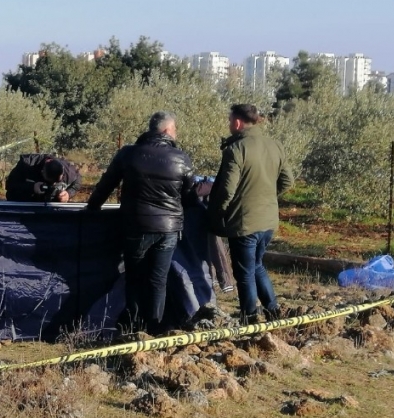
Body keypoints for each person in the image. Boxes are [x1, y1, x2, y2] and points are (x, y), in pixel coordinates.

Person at [87, 111, 196, 335]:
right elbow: (189, 198)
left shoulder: (128, 154)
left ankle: (133, 327)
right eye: (175, 129)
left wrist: (92, 208)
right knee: (158, 280)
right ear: (166, 130)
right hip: (168, 229)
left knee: (134, 277)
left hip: (136, 225)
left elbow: (106, 185)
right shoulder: (181, 158)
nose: (176, 133)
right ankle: (154, 328)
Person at [208, 103, 294, 324]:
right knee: (256, 265)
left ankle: (250, 317)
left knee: (244, 272)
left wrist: (217, 213)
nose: (229, 125)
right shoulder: (275, 145)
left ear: (237, 122)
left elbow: (227, 189)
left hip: (244, 222)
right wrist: (266, 196)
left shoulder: (236, 149)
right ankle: (273, 310)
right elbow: (288, 181)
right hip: (268, 220)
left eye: (230, 121)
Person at [5, 154, 81, 202]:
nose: (53, 184)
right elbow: (10, 185)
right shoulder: (26, 164)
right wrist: (32, 187)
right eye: (50, 181)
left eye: (57, 182)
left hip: (53, 212)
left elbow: (77, 184)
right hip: (26, 208)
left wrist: (68, 193)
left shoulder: (70, 171)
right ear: (42, 172)